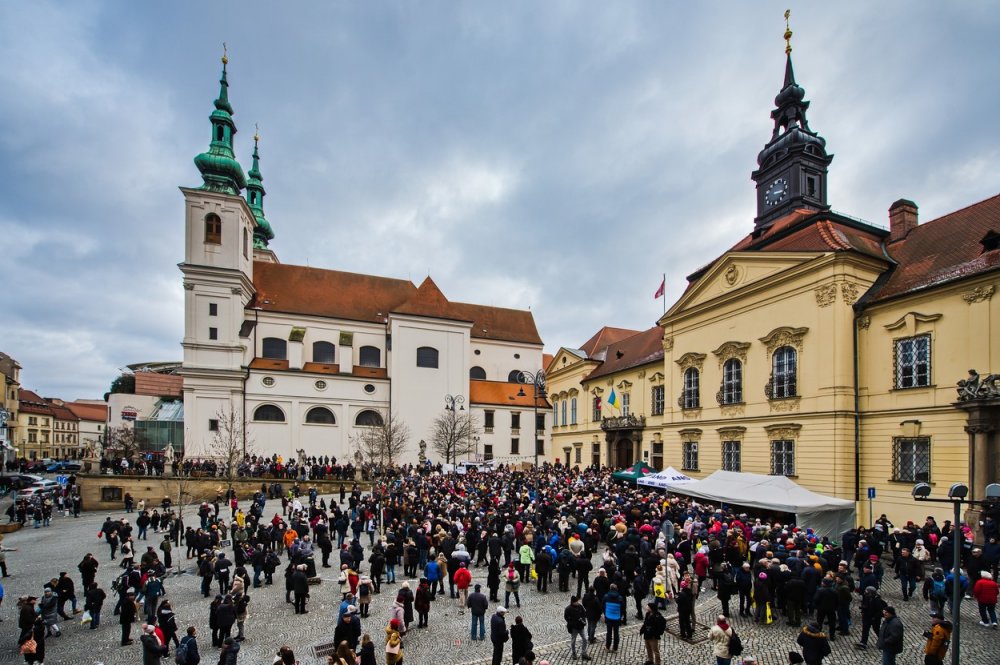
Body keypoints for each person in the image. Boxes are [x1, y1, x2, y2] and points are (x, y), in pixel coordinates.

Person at [856, 586, 886, 650]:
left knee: (876, 630)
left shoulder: (877, 600)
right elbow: (865, 605)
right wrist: (863, 611)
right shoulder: (867, 597)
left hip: (874, 618)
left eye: (867, 592)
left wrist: (874, 617)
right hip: (867, 617)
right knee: (865, 630)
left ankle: (883, 641)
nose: (865, 593)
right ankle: (863, 643)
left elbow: (879, 611)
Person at [564, 595, 589, 661]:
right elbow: (566, 618)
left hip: (581, 627)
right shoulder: (568, 609)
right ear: (573, 602)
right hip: (574, 628)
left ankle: (583, 653)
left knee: (585, 639)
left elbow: (584, 614)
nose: (578, 602)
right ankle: (574, 653)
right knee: (573, 641)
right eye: (576, 601)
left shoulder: (580, 606)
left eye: (578, 601)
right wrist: (572, 623)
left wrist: (583, 620)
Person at [603, 583, 624, 651]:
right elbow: (623, 608)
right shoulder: (620, 598)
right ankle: (615, 647)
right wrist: (621, 616)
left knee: (609, 633)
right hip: (617, 617)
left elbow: (603, 606)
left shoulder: (606, 596)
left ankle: (607, 646)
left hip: (608, 617)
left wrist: (605, 614)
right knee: (616, 633)